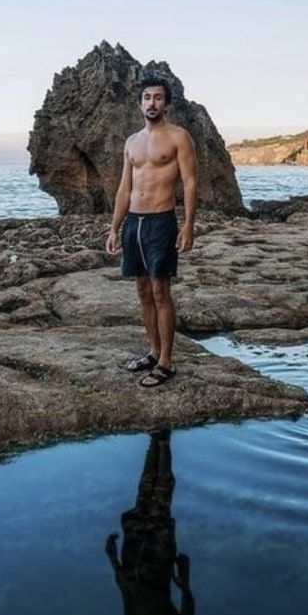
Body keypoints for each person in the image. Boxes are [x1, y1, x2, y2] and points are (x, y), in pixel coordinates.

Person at [104, 75, 198, 387]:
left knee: (160, 290)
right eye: (147, 98)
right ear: (140, 103)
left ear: (167, 104)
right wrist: (115, 228)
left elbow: (191, 183)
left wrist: (188, 226)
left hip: (161, 222)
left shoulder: (178, 137)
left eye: (158, 98)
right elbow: (123, 188)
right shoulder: (131, 142)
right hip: (134, 222)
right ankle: (154, 352)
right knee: (143, 291)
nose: (152, 103)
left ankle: (167, 362)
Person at [105, 430, 195, 615]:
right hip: (137, 551)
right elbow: (125, 586)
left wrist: (183, 578)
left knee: (159, 494)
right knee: (147, 493)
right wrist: (112, 558)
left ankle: (161, 440)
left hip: (155, 556)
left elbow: (188, 605)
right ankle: (156, 440)